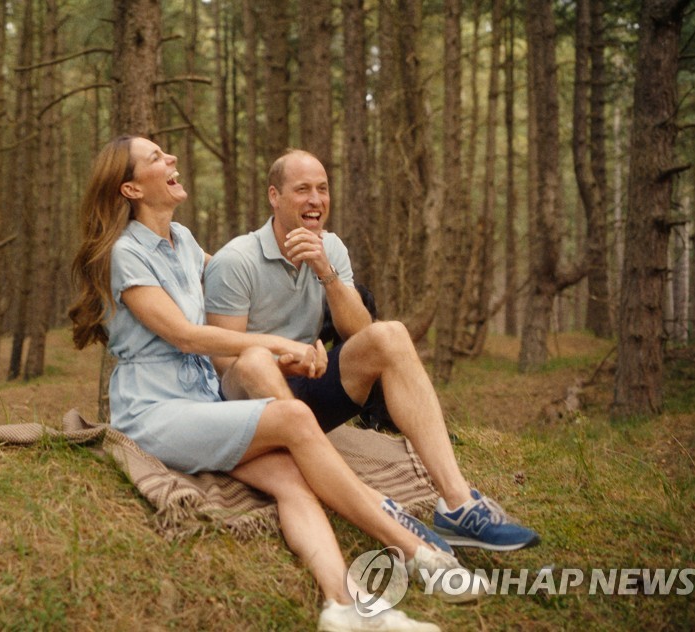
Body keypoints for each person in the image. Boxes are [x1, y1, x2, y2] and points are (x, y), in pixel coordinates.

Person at [69, 136, 475, 632]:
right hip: (154, 411)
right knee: (294, 418)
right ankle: (414, 549)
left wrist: (299, 331)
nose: (171, 158)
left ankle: (343, 607)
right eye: (156, 158)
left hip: (204, 404)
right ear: (130, 187)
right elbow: (185, 335)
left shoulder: (185, 241)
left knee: (294, 483)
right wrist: (279, 345)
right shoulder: (123, 253)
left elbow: (230, 281)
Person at [204, 148, 541, 553]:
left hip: (308, 389)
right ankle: (375, 506)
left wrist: (325, 272)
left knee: (391, 335)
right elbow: (222, 360)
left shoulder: (332, 249)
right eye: (302, 190)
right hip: (250, 406)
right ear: (274, 197)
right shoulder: (236, 260)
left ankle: (458, 503)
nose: (315, 200)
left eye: (323, 189)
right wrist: (283, 362)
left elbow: (359, 333)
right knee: (256, 362)